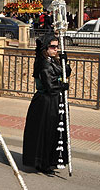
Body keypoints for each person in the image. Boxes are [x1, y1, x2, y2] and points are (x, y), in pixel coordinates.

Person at [22, 34, 71, 174]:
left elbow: (65, 72)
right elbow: (50, 87)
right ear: (45, 48)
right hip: (46, 103)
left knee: (55, 132)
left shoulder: (52, 60)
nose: (56, 49)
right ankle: (43, 162)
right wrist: (62, 86)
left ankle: (51, 160)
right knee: (46, 132)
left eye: (57, 46)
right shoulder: (43, 63)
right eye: (53, 47)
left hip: (56, 101)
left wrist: (65, 62)